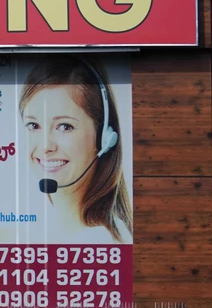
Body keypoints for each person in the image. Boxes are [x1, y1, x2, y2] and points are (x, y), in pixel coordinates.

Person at [20, 56, 133, 244]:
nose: (45, 146)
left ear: (104, 138)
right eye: (33, 125)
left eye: (65, 126)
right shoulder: (64, 231)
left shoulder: (94, 240)